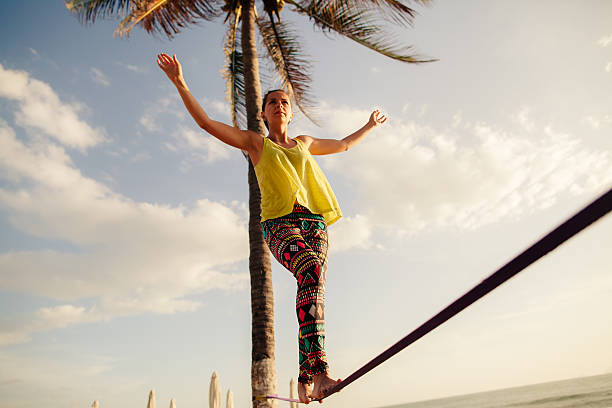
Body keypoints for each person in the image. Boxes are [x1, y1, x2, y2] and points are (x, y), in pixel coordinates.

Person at [157, 53, 387, 403]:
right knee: (309, 270)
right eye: (272, 102)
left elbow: (341, 145)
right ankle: (321, 371)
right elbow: (205, 123)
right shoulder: (255, 143)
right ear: (263, 113)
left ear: (290, 112)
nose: (279, 105)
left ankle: (307, 376)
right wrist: (179, 82)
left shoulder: (305, 143)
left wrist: (369, 126)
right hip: (278, 224)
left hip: (314, 223)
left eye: (284, 102)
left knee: (312, 286)